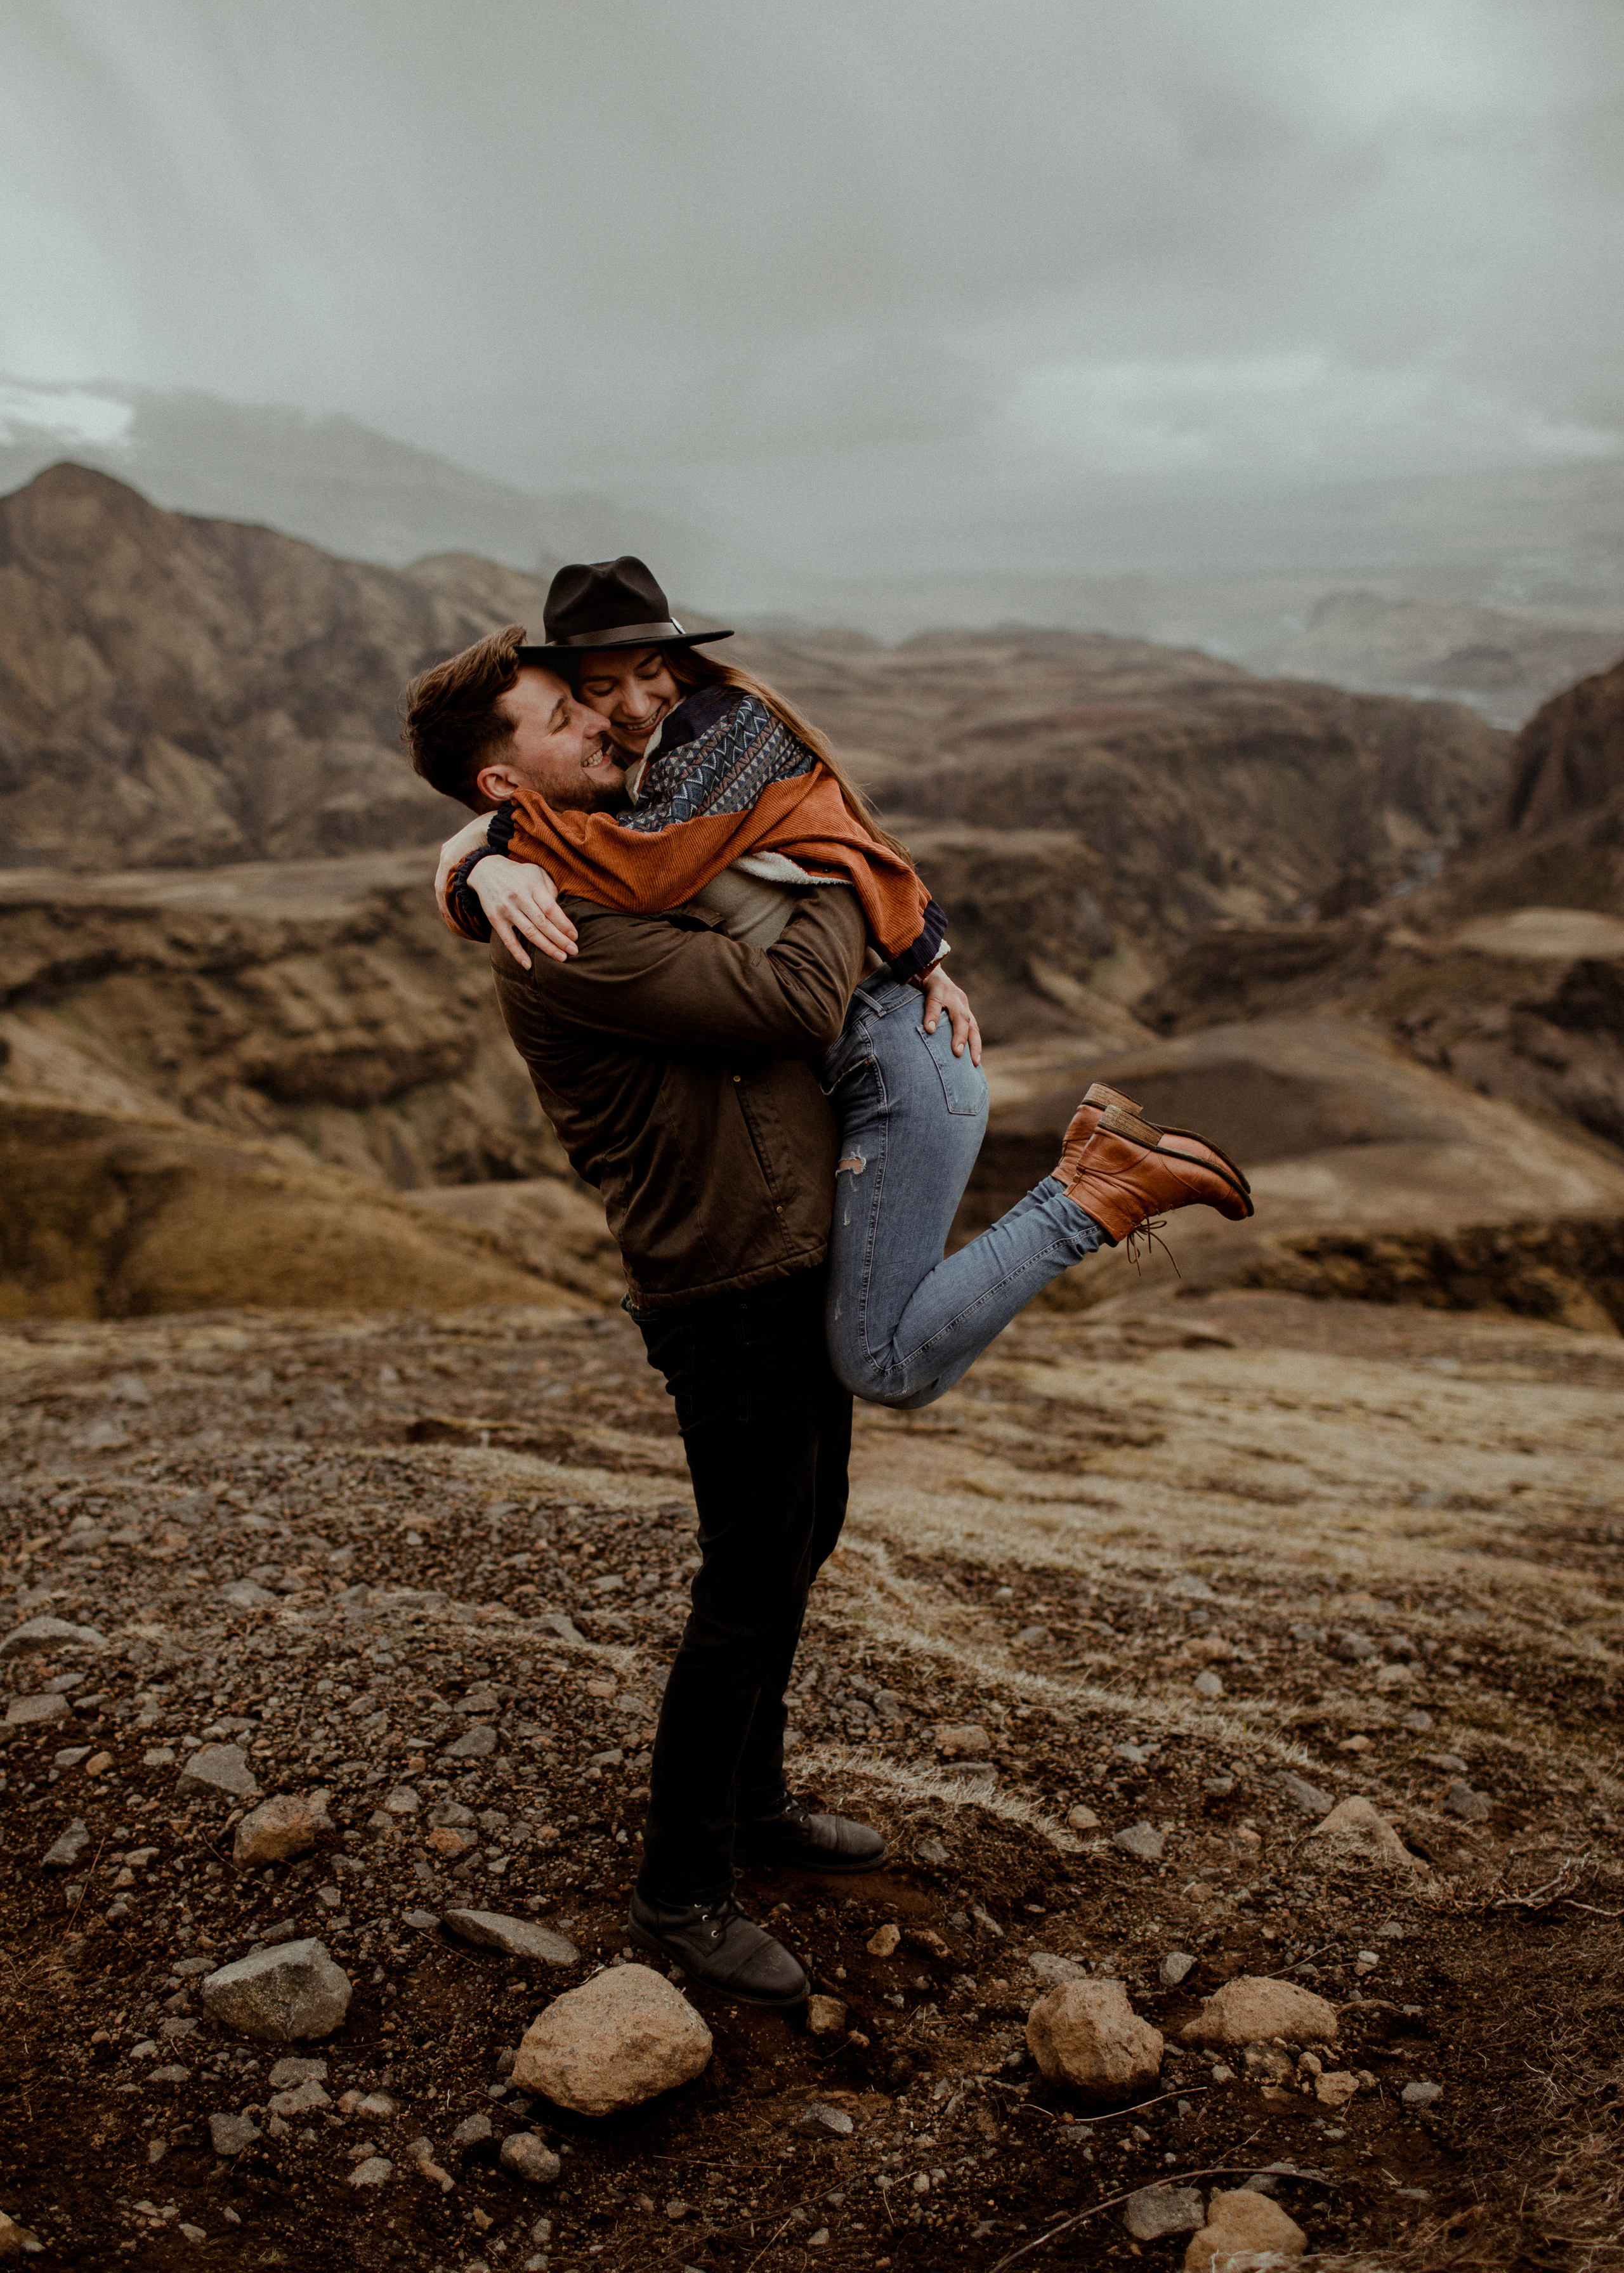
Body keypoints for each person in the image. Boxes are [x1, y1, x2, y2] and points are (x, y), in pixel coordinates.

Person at [401, 560, 1252, 2008]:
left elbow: (685, 870)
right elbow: (793, 1000)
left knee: (801, 1541)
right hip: (721, 1281)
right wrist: (844, 880)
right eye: (567, 716)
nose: (608, 729)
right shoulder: (559, 926)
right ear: (505, 770)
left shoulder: (602, 848)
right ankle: (680, 1892)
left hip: (792, 1248)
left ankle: (754, 1802)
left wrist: (484, 848)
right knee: (745, 1578)